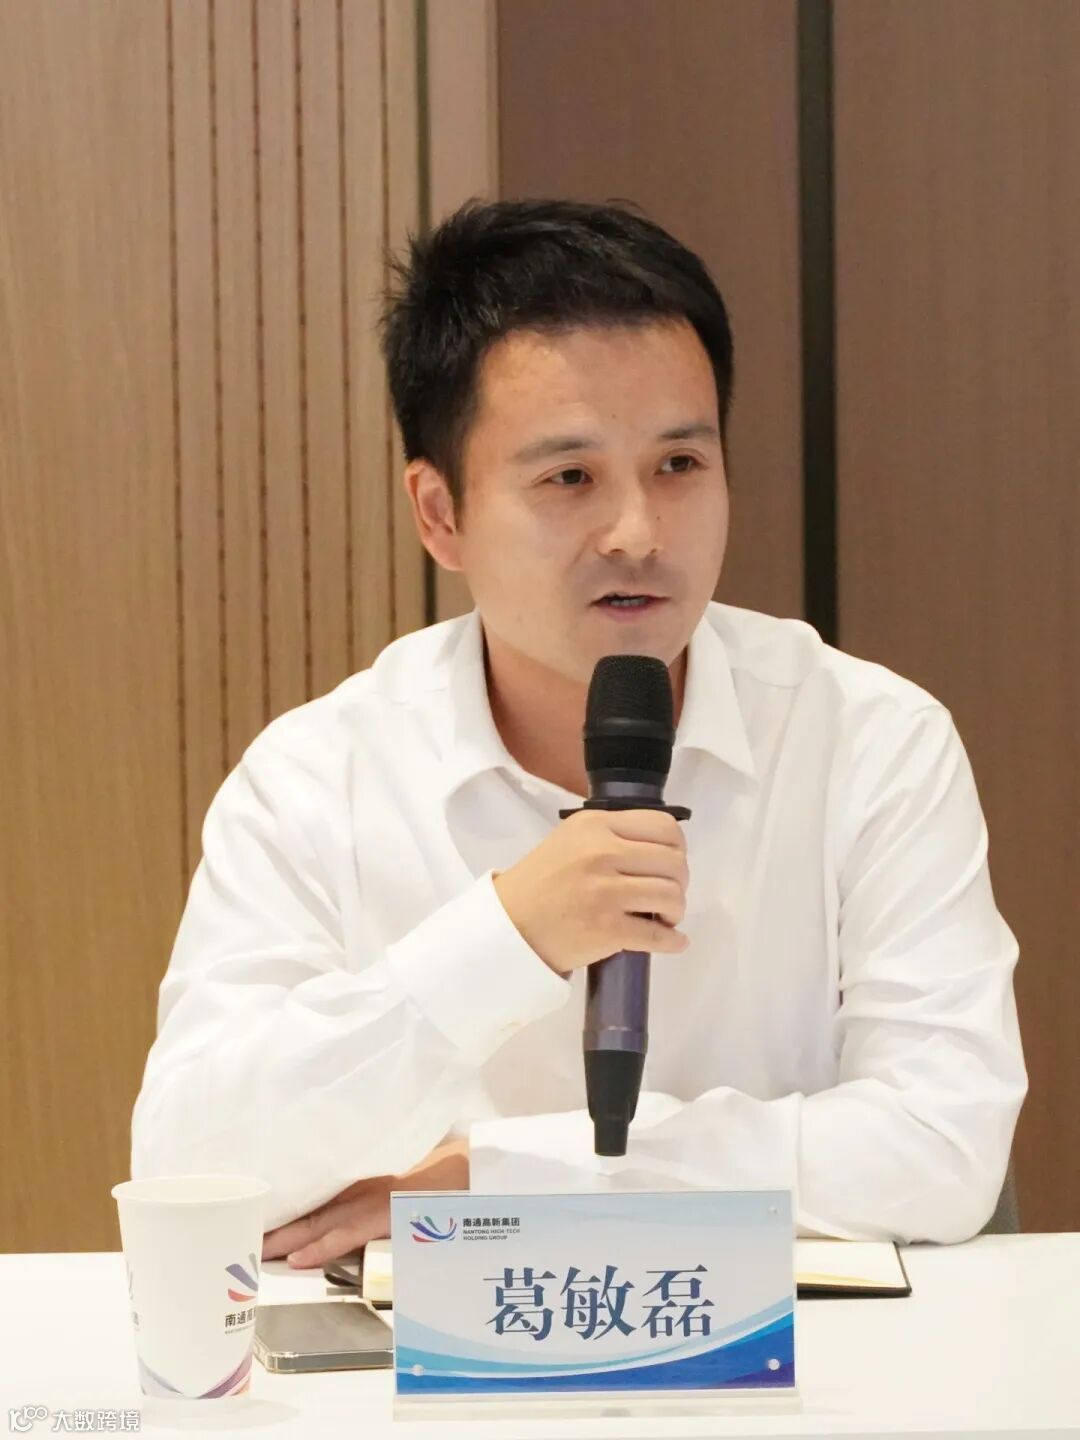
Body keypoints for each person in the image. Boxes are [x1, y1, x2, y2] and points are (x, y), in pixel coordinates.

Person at [129, 197, 1027, 1270]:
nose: (638, 533)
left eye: (679, 466)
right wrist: (510, 935)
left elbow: (944, 1144)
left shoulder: (868, 740)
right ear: (440, 514)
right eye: (569, 478)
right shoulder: (320, 777)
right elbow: (192, 1163)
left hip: (796, 1358)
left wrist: (513, 1175)